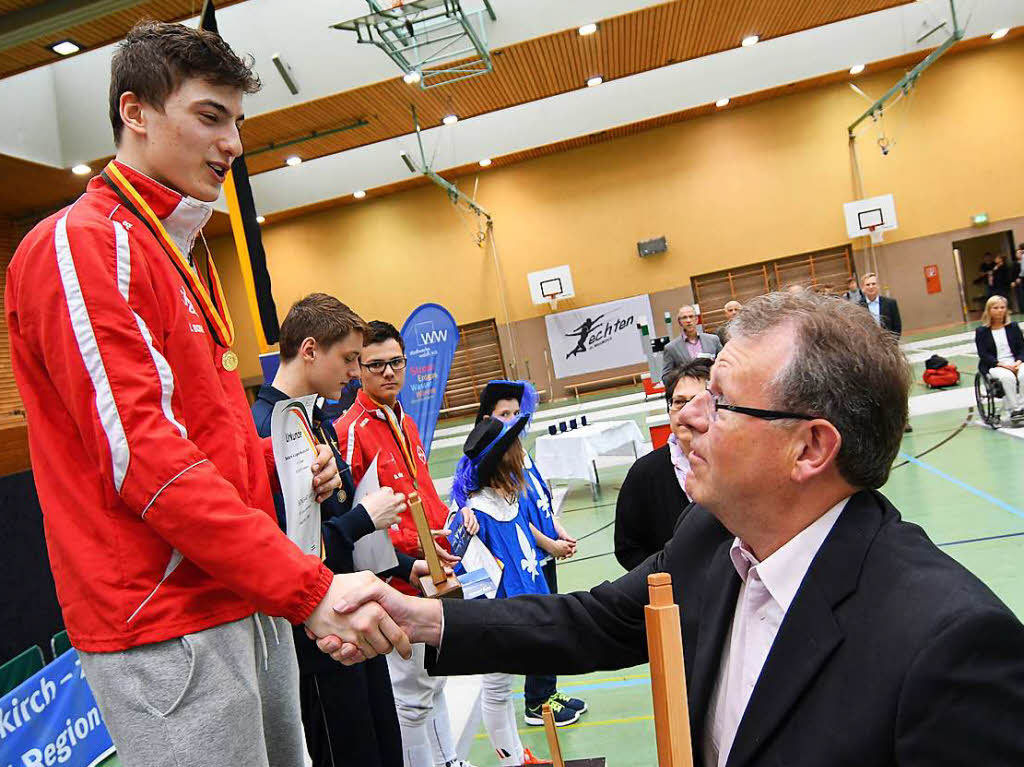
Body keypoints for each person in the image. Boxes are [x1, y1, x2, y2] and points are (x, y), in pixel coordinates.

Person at [321, 292, 1024, 767]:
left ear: (811, 448)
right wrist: (423, 619)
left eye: (720, 403)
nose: (686, 418)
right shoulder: (712, 539)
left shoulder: (947, 645)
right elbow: (589, 621)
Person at [3, 21, 409, 767]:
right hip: (165, 620)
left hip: (240, 594)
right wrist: (305, 583)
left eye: (239, 123)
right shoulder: (79, 242)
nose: (232, 145)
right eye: (209, 117)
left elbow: (202, 437)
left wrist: (277, 470)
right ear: (136, 112)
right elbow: (141, 456)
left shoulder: (180, 248)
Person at [252, 294, 441, 767]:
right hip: (318, 635)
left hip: (357, 612)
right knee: (350, 753)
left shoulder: (320, 423)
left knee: (384, 744)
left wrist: (401, 564)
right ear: (310, 350)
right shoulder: (261, 433)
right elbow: (285, 551)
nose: (356, 372)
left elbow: (342, 534)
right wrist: (364, 518)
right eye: (350, 359)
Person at [334, 321, 470, 767]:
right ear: (358, 369)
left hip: (433, 571)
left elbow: (421, 495)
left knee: (435, 680)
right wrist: (407, 556)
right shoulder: (350, 430)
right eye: (376, 365)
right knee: (410, 697)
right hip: (397, 578)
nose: (388, 372)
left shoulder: (405, 419)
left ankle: (449, 759)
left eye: (396, 362)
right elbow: (356, 518)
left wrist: (446, 528)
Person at [475, 380, 586, 727]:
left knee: (551, 620)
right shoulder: (495, 460)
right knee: (540, 625)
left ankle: (548, 690)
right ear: (487, 418)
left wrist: (558, 529)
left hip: (545, 552)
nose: (511, 420)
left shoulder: (520, 450)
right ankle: (537, 702)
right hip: (529, 556)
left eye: (515, 413)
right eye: (502, 414)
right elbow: (516, 517)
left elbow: (540, 499)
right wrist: (548, 543)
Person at [447, 416, 554, 765]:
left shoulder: (510, 500)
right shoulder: (476, 513)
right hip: (498, 618)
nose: (522, 453)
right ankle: (510, 761)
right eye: (515, 448)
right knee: (495, 690)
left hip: (524, 607)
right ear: (503, 459)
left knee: (504, 690)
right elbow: (471, 576)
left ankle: (517, 755)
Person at [614, 358, 710, 570]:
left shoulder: (738, 464)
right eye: (678, 402)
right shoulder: (644, 474)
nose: (685, 412)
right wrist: (668, 577)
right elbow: (627, 548)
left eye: (696, 401)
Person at [974, 294, 1024, 425]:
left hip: (1015, 361)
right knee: (1008, 378)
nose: (1000, 310)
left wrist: (1018, 362)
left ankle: (1023, 406)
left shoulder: (1013, 327)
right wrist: (1002, 364)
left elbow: (1021, 348)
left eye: (1002, 307)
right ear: (989, 310)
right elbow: (983, 354)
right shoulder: (981, 331)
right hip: (995, 365)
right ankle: (1015, 410)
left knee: (1023, 374)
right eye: (995, 308)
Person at [661, 304, 722, 381]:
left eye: (691, 316)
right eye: (684, 318)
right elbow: (666, 377)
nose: (688, 320)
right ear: (679, 322)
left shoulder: (713, 340)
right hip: (690, 390)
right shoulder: (671, 348)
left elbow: (725, 363)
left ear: (696, 320)